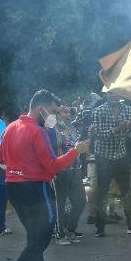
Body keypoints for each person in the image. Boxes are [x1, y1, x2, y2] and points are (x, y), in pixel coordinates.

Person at [0, 90, 90, 261]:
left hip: (13, 187)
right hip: (36, 188)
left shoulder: (10, 127)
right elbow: (53, 166)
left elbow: (1, 158)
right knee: (43, 236)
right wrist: (76, 151)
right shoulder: (37, 132)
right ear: (41, 109)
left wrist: (19, 169)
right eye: (53, 111)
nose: (54, 116)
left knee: (33, 234)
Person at [89, 92, 131, 236]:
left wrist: (129, 126)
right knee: (103, 193)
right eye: (110, 93)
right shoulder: (98, 111)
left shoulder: (127, 109)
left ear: (120, 94)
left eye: (115, 93)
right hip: (103, 156)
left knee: (126, 192)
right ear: (106, 95)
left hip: (120, 155)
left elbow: (130, 134)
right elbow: (99, 134)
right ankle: (100, 228)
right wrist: (117, 129)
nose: (113, 96)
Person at [48, 105, 87, 245]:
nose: (68, 114)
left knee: (81, 201)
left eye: (69, 112)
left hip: (75, 170)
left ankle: (70, 229)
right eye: (64, 112)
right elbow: (49, 150)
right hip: (60, 170)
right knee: (60, 203)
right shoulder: (51, 127)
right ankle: (60, 234)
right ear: (57, 114)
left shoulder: (71, 129)